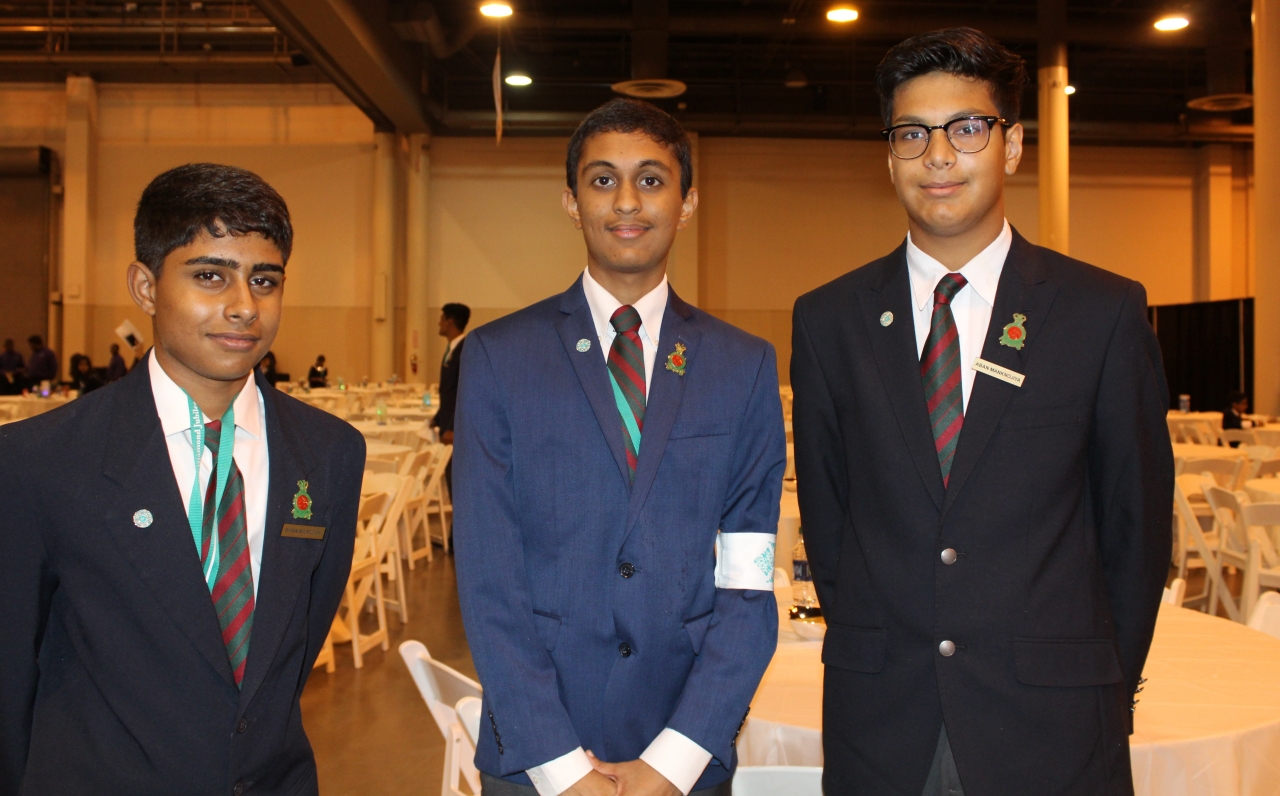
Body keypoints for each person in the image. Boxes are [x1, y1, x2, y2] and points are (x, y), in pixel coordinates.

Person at [790, 28, 1173, 796]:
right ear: (889, 153)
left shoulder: (1101, 312)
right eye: (911, 133)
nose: (938, 156)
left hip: (1055, 727)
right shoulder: (829, 319)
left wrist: (1098, 682)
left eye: (967, 128)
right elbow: (831, 526)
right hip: (883, 721)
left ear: (1012, 145)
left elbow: (1137, 528)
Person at [454, 98, 785, 796]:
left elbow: (748, 584)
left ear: (687, 201)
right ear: (571, 201)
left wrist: (676, 758)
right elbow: (488, 579)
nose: (627, 201)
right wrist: (562, 767)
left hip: (684, 753)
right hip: (537, 757)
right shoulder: (497, 358)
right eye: (602, 180)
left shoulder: (743, 365)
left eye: (652, 180)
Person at [0, 162, 365, 794]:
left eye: (264, 280)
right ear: (145, 286)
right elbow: (10, 676)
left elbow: (287, 659)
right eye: (210, 276)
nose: (243, 306)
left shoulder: (330, 452)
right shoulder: (40, 460)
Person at [432, 304, 471, 447]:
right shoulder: (452, 349)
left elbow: (465, 393)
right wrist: (436, 419)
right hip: (446, 421)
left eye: (441, 318)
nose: (439, 323)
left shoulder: (464, 351)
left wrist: (452, 427)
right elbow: (449, 391)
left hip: (454, 428)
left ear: (450, 321)